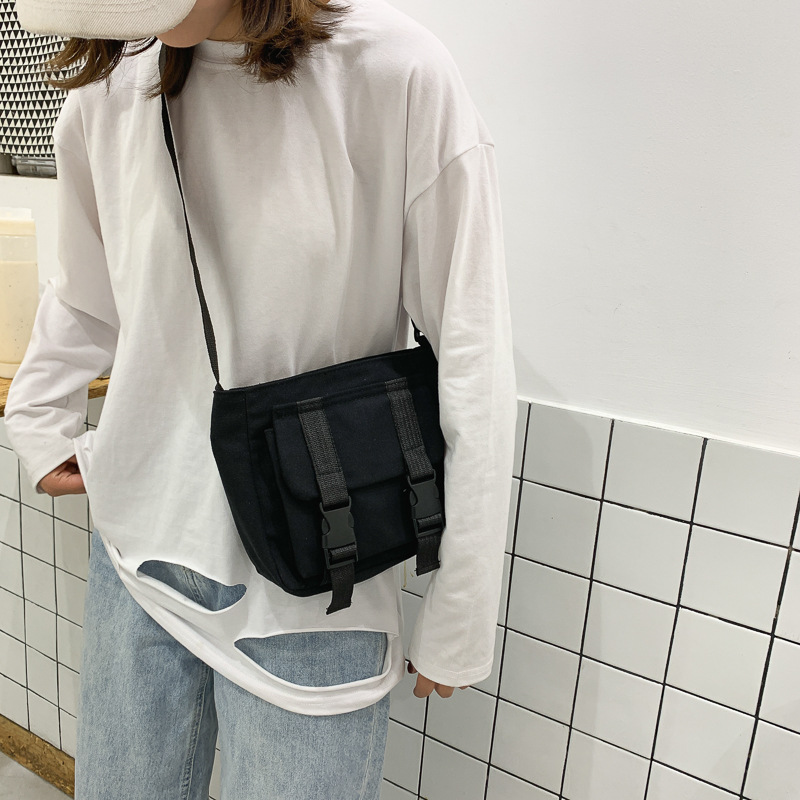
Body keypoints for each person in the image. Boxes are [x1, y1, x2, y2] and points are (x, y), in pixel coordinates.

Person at [6, 0, 517, 797]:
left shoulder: (393, 73)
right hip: (140, 558)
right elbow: (86, 289)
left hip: (319, 583)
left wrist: (464, 606)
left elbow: (471, 347)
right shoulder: (111, 87)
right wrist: (38, 418)